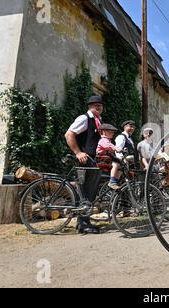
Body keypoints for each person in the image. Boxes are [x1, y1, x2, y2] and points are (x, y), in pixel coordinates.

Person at [65, 95, 104, 234]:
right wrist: (78, 152)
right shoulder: (84, 118)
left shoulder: (98, 121)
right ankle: (82, 224)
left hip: (92, 160)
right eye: (95, 105)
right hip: (83, 161)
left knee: (90, 192)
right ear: (90, 106)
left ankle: (85, 221)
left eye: (100, 105)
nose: (98, 107)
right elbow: (69, 134)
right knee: (84, 192)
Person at [96, 124, 122, 190]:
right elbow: (109, 146)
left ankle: (116, 180)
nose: (113, 133)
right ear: (104, 132)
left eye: (113, 132)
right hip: (100, 160)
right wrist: (116, 148)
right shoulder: (103, 140)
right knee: (115, 164)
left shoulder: (107, 140)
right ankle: (112, 181)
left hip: (106, 159)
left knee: (120, 165)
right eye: (111, 132)